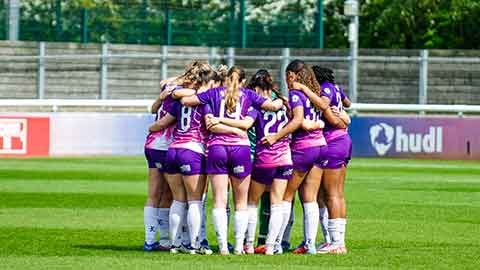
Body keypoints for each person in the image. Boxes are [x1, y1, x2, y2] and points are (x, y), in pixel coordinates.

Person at [180, 66, 284, 255]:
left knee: (219, 200)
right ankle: (238, 246)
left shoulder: (212, 93)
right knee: (241, 202)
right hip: (240, 149)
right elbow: (274, 106)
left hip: (217, 148)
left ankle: (222, 247)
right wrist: (283, 98)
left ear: (226, 78)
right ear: (243, 81)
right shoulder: (249, 95)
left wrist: (198, 91)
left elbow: (186, 101)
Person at [264, 60, 348, 254]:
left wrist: (276, 136)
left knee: (286, 196)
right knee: (310, 198)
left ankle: (276, 244)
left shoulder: (296, 93)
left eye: (287, 76)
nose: (286, 80)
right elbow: (325, 109)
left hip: (303, 148)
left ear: (292, 75)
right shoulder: (316, 93)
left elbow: (298, 120)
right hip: (321, 146)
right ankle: (310, 244)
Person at [298, 66, 352, 254]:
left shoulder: (327, 88)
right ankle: (332, 240)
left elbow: (324, 106)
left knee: (333, 193)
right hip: (341, 140)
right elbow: (348, 103)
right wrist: (344, 114)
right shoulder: (336, 88)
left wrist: (305, 91)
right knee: (327, 194)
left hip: (334, 142)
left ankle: (338, 243)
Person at [240, 69, 293, 255]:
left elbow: (246, 124)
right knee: (277, 203)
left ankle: (248, 244)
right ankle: (272, 246)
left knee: (252, 202)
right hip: (285, 157)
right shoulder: (284, 103)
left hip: (265, 158)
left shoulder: (255, 106)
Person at [142, 79, 176, 251]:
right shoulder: (180, 95)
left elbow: (153, 108)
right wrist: (152, 127)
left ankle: (159, 240)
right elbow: (162, 122)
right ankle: (154, 239)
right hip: (163, 146)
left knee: (161, 194)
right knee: (166, 194)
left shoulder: (169, 88)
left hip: (153, 146)